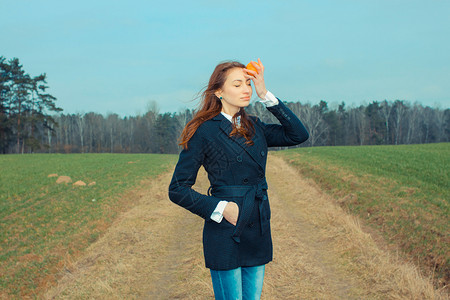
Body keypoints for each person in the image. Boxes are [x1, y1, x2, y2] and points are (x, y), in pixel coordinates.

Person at [168, 59, 309, 300]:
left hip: (258, 225)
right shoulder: (204, 130)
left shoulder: (255, 125)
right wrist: (222, 208)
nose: (246, 89)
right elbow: (178, 188)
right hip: (226, 228)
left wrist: (265, 94)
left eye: (248, 83)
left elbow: (298, 134)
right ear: (219, 91)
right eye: (237, 84)